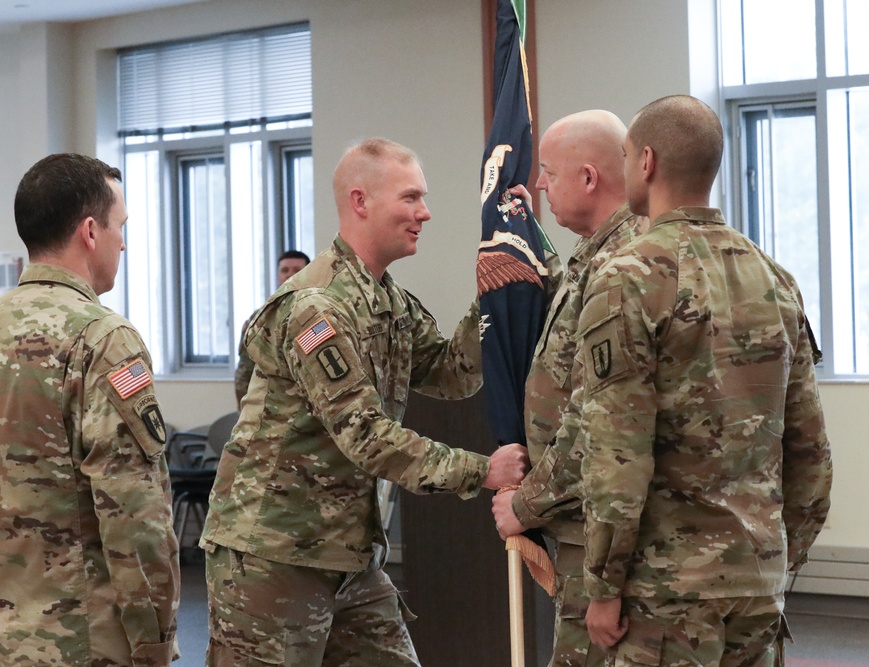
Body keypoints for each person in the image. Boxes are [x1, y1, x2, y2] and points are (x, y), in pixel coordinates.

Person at [200, 137, 529, 666]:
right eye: (410, 198)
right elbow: (364, 435)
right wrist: (480, 470)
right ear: (361, 202)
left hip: (348, 554)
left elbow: (453, 372)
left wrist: (493, 292)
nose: (425, 212)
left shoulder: (387, 300)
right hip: (274, 554)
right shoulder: (317, 307)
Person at [571, 95, 833, 665]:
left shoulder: (627, 277)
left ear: (646, 162)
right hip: (756, 584)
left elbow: (619, 456)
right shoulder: (774, 278)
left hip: (665, 595)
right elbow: (810, 451)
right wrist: (776, 562)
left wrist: (603, 587)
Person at [0, 154, 181, 665]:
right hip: (80, 639)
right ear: (89, 232)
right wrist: (155, 643)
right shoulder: (103, 339)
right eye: (120, 225)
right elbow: (135, 516)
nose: (123, 241)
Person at [490, 109, 646, 667]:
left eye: (549, 174)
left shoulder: (626, 268)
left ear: (588, 178)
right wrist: (522, 237)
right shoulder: (595, 257)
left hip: (602, 529)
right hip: (585, 522)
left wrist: (525, 505)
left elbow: (599, 424)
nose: (538, 184)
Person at [234, 249, 311, 406]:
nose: (290, 275)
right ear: (278, 276)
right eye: (284, 271)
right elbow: (244, 372)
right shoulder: (261, 318)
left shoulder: (322, 313)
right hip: (272, 412)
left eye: (298, 270)